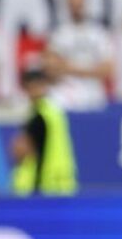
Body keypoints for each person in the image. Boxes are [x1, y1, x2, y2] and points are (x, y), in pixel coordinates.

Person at [11, 67, 79, 196]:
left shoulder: (39, 116)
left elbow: (23, 151)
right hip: (61, 185)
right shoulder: (55, 113)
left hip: (44, 186)